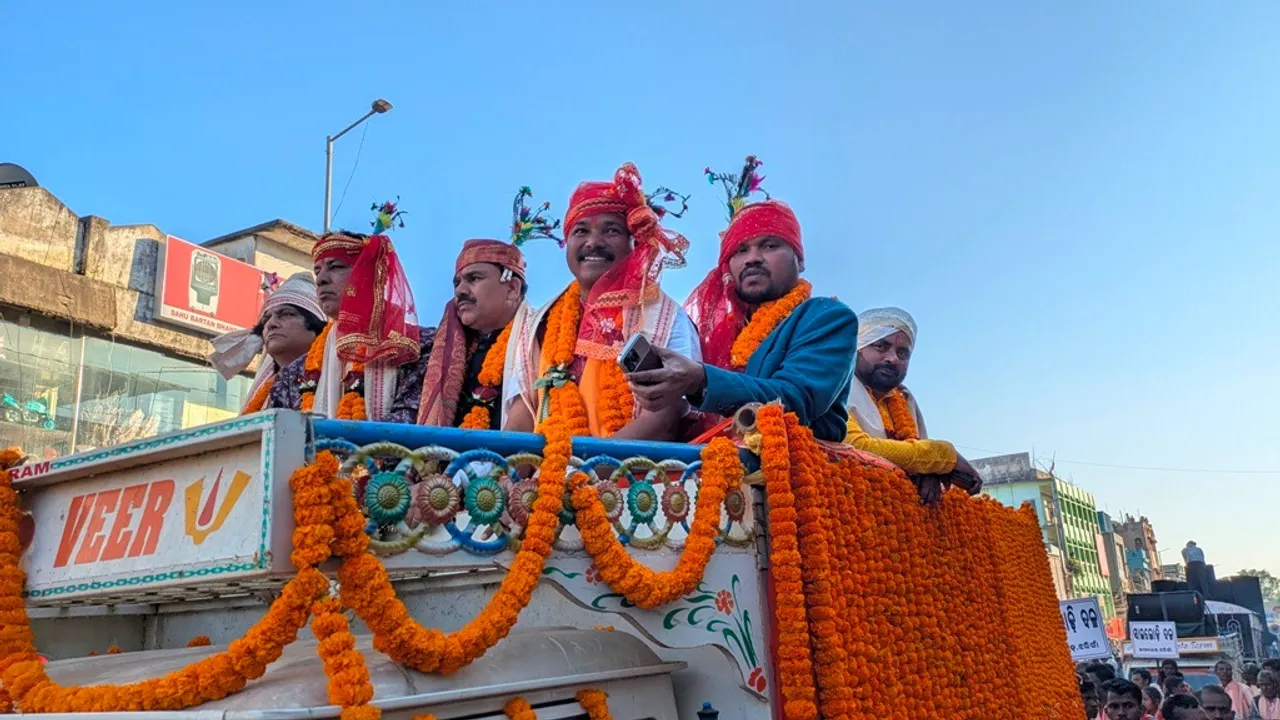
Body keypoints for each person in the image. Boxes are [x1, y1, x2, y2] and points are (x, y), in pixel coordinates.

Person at [626, 157, 857, 442]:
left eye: (770, 246)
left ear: (799, 259)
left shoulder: (826, 317)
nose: (752, 259)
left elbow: (796, 399)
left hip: (792, 476)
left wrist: (700, 379)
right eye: (740, 251)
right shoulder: (717, 334)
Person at [504, 164, 699, 439]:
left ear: (635, 243)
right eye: (581, 231)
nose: (593, 242)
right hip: (546, 475)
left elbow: (664, 419)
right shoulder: (542, 323)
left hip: (633, 477)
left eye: (611, 231)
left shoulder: (663, 318)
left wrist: (586, 471)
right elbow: (522, 417)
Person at [269, 201, 434, 422]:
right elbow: (283, 441)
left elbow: (412, 424)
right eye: (317, 271)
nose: (322, 280)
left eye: (336, 267)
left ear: (370, 275)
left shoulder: (418, 346)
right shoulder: (295, 374)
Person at [418, 189, 553, 430]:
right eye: (457, 282)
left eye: (474, 278)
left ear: (512, 288)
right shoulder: (443, 349)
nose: (460, 291)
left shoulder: (544, 334)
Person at [843, 306, 984, 502]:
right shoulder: (834, 386)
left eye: (902, 353)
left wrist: (928, 472)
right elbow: (853, 447)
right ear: (857, 349)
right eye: (881, 346)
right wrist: (944, 457)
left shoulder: (904, 399)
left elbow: (915, 452)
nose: (892, 358)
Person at [209, 272, 327, 414]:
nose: (271, 324)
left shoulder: (336, 373)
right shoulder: (271, 388)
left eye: (286, 314)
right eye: (266, 319)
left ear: (318, 325)